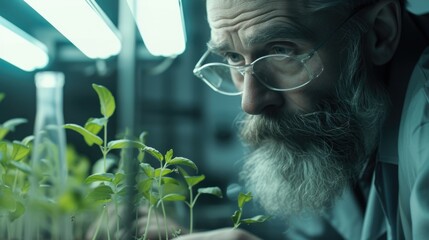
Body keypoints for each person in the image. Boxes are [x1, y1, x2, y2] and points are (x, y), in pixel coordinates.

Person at [172, 0, 429, 239]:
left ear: (379, 33)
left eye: (281, 51)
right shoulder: (338, 125)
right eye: (234, 57)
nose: (250, 103)